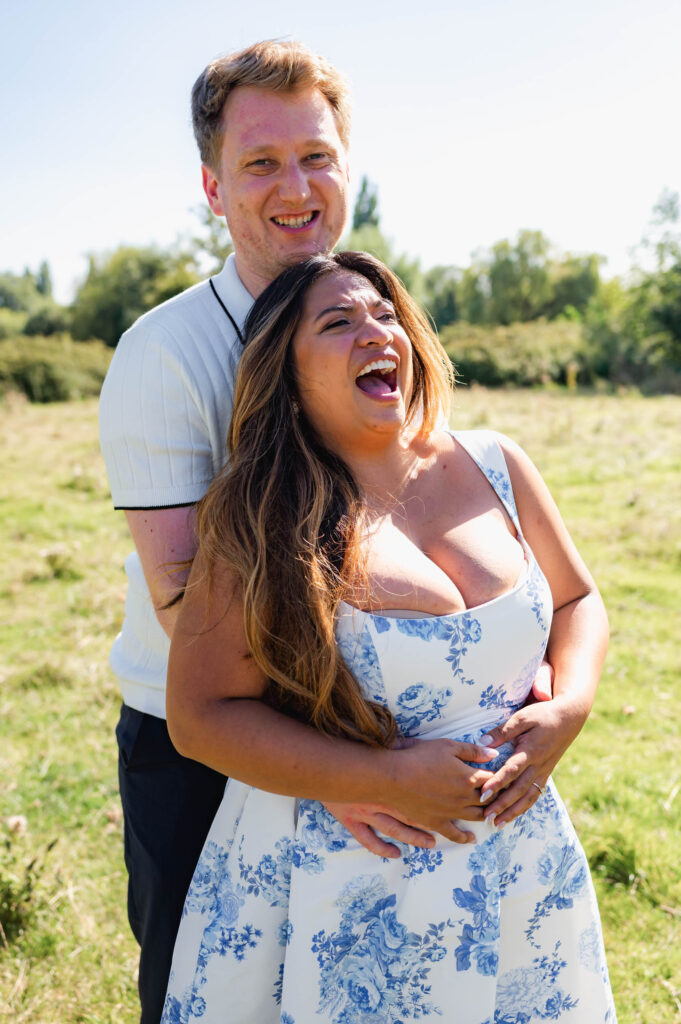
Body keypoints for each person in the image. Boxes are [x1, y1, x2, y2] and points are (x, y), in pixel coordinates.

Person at [99, 40, 572, 1023]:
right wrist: (346, 770)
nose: (295, 187)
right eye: (261, 163)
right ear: (212, 186)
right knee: (216, 989)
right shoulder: (165, 354)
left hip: (403, 741)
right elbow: (187, 594)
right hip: (212, 750)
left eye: (316, 156)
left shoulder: (366, 313)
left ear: (347, 167)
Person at [160, 251, 616, 1023]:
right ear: (287, 373)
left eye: (384, 314)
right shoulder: (262, 514)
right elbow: (200, 716)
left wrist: (568, 708)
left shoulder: (495, 462)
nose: (377, 332)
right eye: (338, 323)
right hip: (342, 883)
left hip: (517, 863)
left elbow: (577, 599)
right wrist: (370, 777)